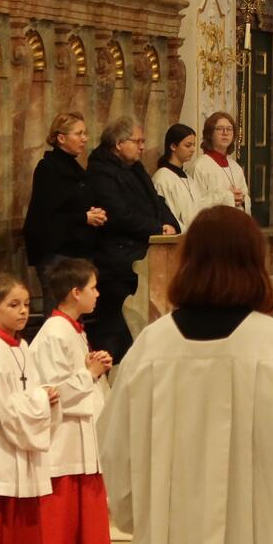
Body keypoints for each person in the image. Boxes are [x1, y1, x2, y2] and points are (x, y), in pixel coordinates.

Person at [98, 206, 273, 544]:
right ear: (256, 263)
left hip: (167, 542)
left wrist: (149, 518)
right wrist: (271, 516)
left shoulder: (150, 348)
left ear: (188, 261)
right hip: (256, 541)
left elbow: (118, 457)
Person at [0, 274, 60, 544]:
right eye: (13, 304)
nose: (23, 311)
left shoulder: (21, 346)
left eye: (26, 303)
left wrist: (45, 395)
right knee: (4, 535)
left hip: (23, 447)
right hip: (2, 448)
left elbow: (30, 389)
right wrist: (39, 400)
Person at [31, 259, 113, 544]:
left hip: (81, 449)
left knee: (86, 535)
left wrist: (94, 364)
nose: (98, 294)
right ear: (76, 292)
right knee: (61, 536)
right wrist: (88, 374)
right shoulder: (54, 332)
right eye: (93, 288)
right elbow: (53, 392)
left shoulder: (72, 330)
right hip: (63, 448)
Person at [86, 116, 178, 362]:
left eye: (143, 141)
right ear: (118, 143)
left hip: (144, 256)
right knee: (117, 330)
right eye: (137, 141)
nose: (142, 146)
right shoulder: (101, 172)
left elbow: (157, 202)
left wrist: (170, 225)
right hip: (117, 261)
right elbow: (118, 213)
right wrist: (157, 228)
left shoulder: (135, 169)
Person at [23, 112, 106, 314]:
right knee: (59, 311)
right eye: (78, 134)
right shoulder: (49, 168)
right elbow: (45, 216)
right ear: (61, 138)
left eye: (84, 133)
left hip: (79, 251)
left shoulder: (76, 168)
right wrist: (84, 217)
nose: (84, 139)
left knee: (77, 314)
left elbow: (80, 201)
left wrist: (96, 211)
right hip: (58, 253)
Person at [152, 124, 228, 232]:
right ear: (173, 146)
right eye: (188, 145)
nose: (192, 149)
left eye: (193, 145)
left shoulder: (188, 178)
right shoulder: (162, 178)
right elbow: (169, 217)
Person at [189, 111, 251, 214]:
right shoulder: (200, 166)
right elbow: (195, 204)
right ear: (210, 134)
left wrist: (242, 199)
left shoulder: (235, 167)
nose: (225, 133)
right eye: (219, 129)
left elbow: (245, 197)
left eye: (229, 129)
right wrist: (228, 197)